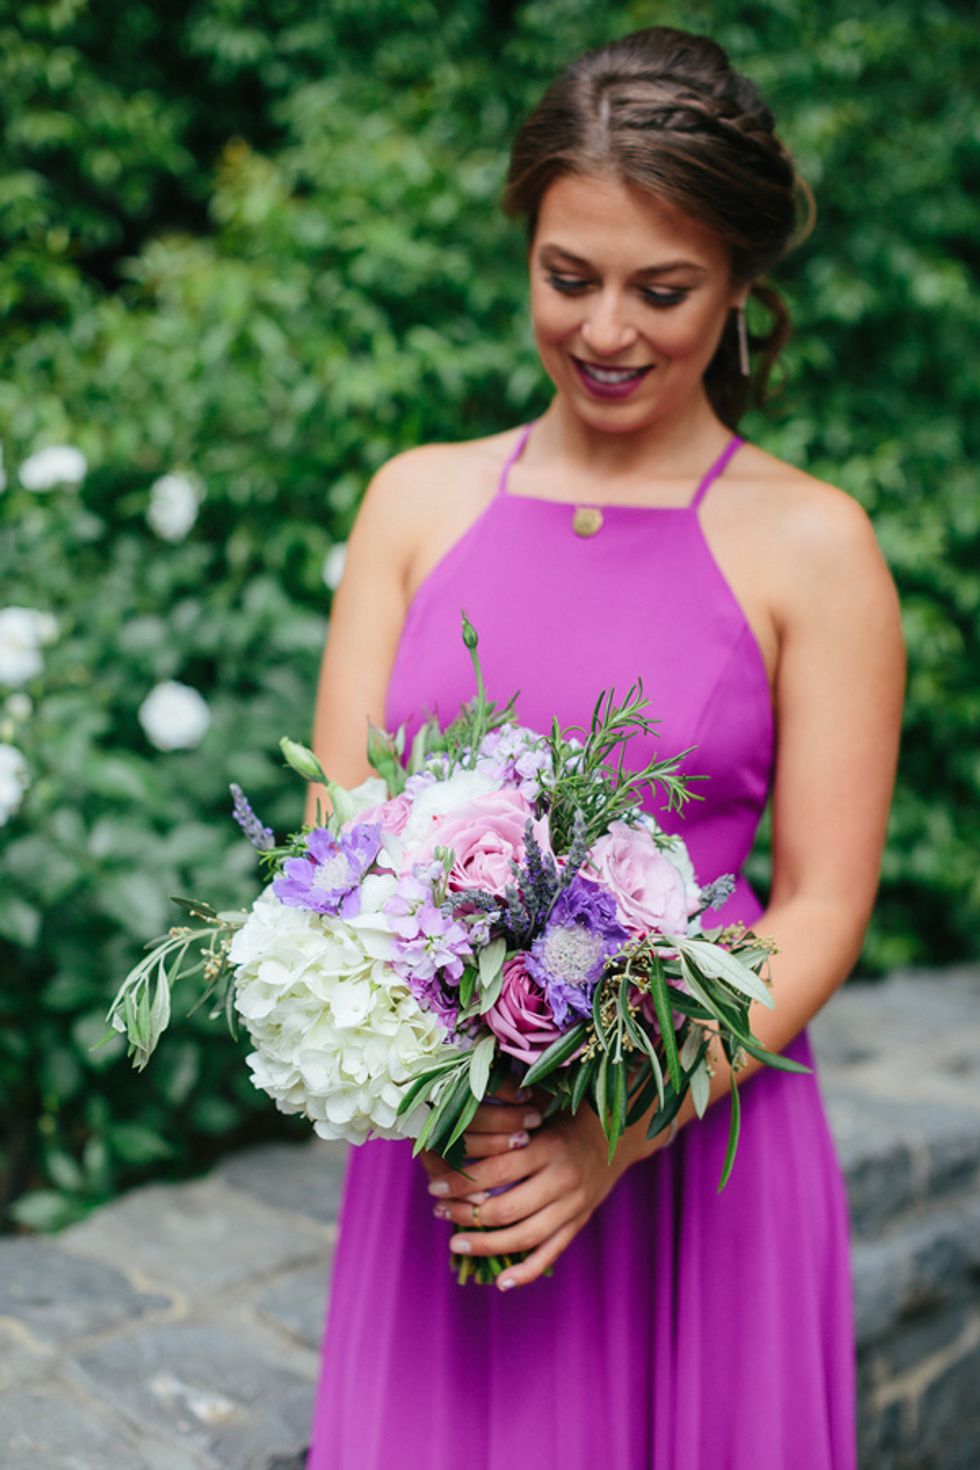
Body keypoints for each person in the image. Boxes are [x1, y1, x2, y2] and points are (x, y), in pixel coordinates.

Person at [302, 25, 904, 1470]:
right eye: (569, 278)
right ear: (525, 251)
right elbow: (337, 834)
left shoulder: (815, 544)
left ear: (742, 286)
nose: (608, 331)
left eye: (663, 289)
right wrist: (429, 1066)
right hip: (451, 1154)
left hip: (696, 1146)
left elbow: (824, 902)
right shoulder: (414, 502)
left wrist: (613, 1132)